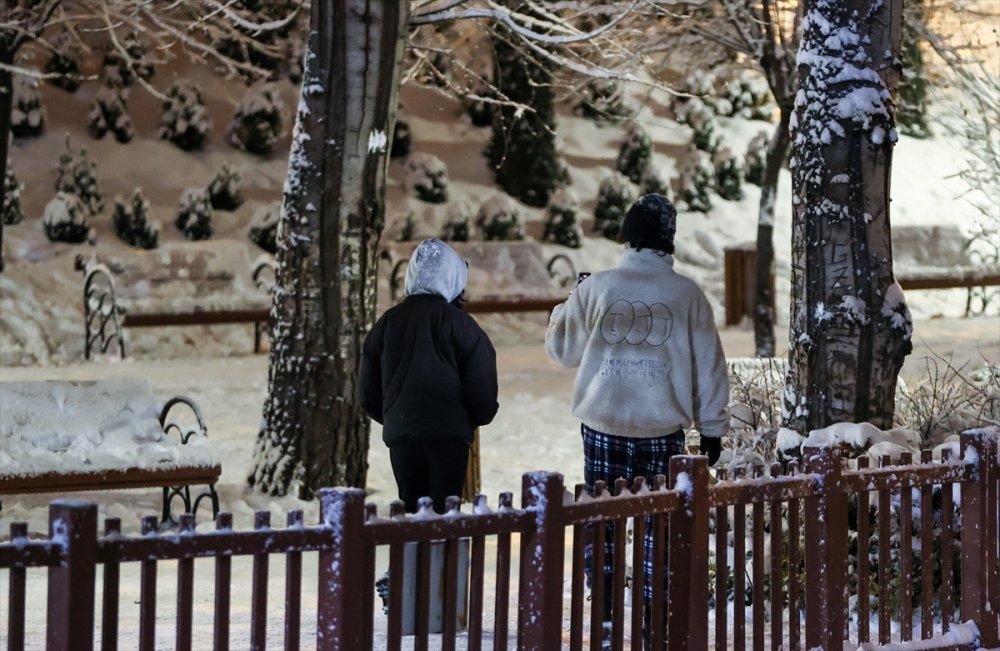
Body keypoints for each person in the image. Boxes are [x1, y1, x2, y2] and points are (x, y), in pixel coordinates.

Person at [544, 193, 729, 646]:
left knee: (603, 523)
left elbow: (562, 350)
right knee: (657, 530)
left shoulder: (597, 287)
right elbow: (710, 366)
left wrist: (568, 303)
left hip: (603, 427)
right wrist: (711, 428)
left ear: (627, 238)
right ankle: (655, 625)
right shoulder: (688, 295)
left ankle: (606, 618)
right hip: (662, 431)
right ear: (669, 242)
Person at [359, 238, 499, 514]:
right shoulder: (462, 325)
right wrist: (467, 419)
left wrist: (399, 415)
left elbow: (368, 394)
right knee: (446, 516)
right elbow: (482, 388)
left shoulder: (386, 324)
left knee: (413, 514)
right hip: (450, 438)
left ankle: (415, 545)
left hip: (402, 436)